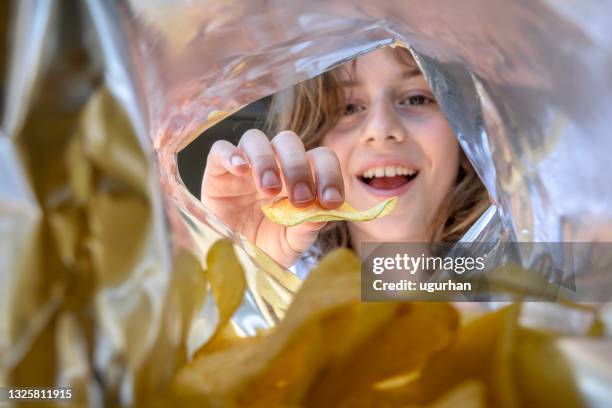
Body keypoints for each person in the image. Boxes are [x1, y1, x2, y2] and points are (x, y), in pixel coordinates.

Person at [201, 46, 489, 272]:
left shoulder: (525, 292)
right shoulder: (282, 275)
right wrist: (242, 267)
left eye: (416, 98)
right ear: (309, 143)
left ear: (467, 139)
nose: (380, 129)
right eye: (349, 107)